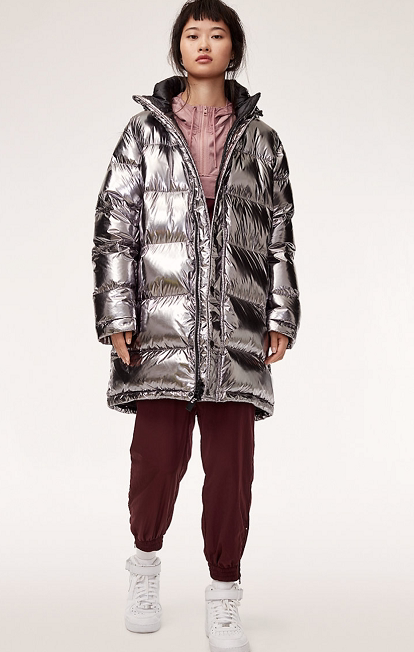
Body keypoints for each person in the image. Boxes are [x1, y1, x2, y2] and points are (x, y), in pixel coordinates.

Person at [91, 1, 301, 650]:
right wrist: (117, 314)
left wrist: (280, 314)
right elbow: (115, 229)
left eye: (216, 34)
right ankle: (144, 567)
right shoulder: (141, 134)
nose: (203, 43)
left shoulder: (264, 141)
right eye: (192, 33)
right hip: (159, 331)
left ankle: (225, 596)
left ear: (234, 48)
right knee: (156, 461)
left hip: (237, 334)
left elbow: (279, 238)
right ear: (177, 47)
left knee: (232, 473)